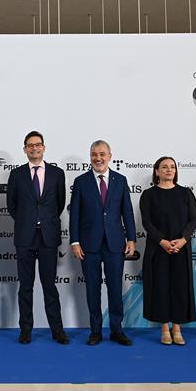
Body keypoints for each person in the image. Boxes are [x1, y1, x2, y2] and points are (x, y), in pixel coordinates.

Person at [69, 140, 136, 346]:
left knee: (115, 288)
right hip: (88, 245)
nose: (98, 158)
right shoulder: (81, 182)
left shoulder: (121, 180)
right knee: (92, 289)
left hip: (115, 244)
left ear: (110, 156)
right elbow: (75, 215)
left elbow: (127, 211)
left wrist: (131, 238)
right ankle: (95, 331)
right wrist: (74, 242)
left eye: (101, 154)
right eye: (94, 154)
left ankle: (117, 330)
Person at [7, 130, 69, 345]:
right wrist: (29, 221)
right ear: (24, 149)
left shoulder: (57, 174)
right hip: (25, 237)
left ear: (43, 147)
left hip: (48, 237)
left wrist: (43, 220)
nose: (34, 148)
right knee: (25, 286)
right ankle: (25, 330)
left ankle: (57, 330)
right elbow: (12, 206)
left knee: (49, 286)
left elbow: (59, 204)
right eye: (30, 145)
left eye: (38, 145)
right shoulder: (16, 175)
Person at [139, 156, 196, 345]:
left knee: (180, 287)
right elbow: (147, 222)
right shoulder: (148, 195)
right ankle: (165, 328)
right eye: (164, 167)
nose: (169, 170)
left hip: (181, 248)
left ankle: (177, 328)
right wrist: (162, 241)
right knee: (161, 287)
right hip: (158, 249)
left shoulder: (186, 193)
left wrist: (183, 240)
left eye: (172, 167)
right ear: (156, 171)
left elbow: (193, 220)